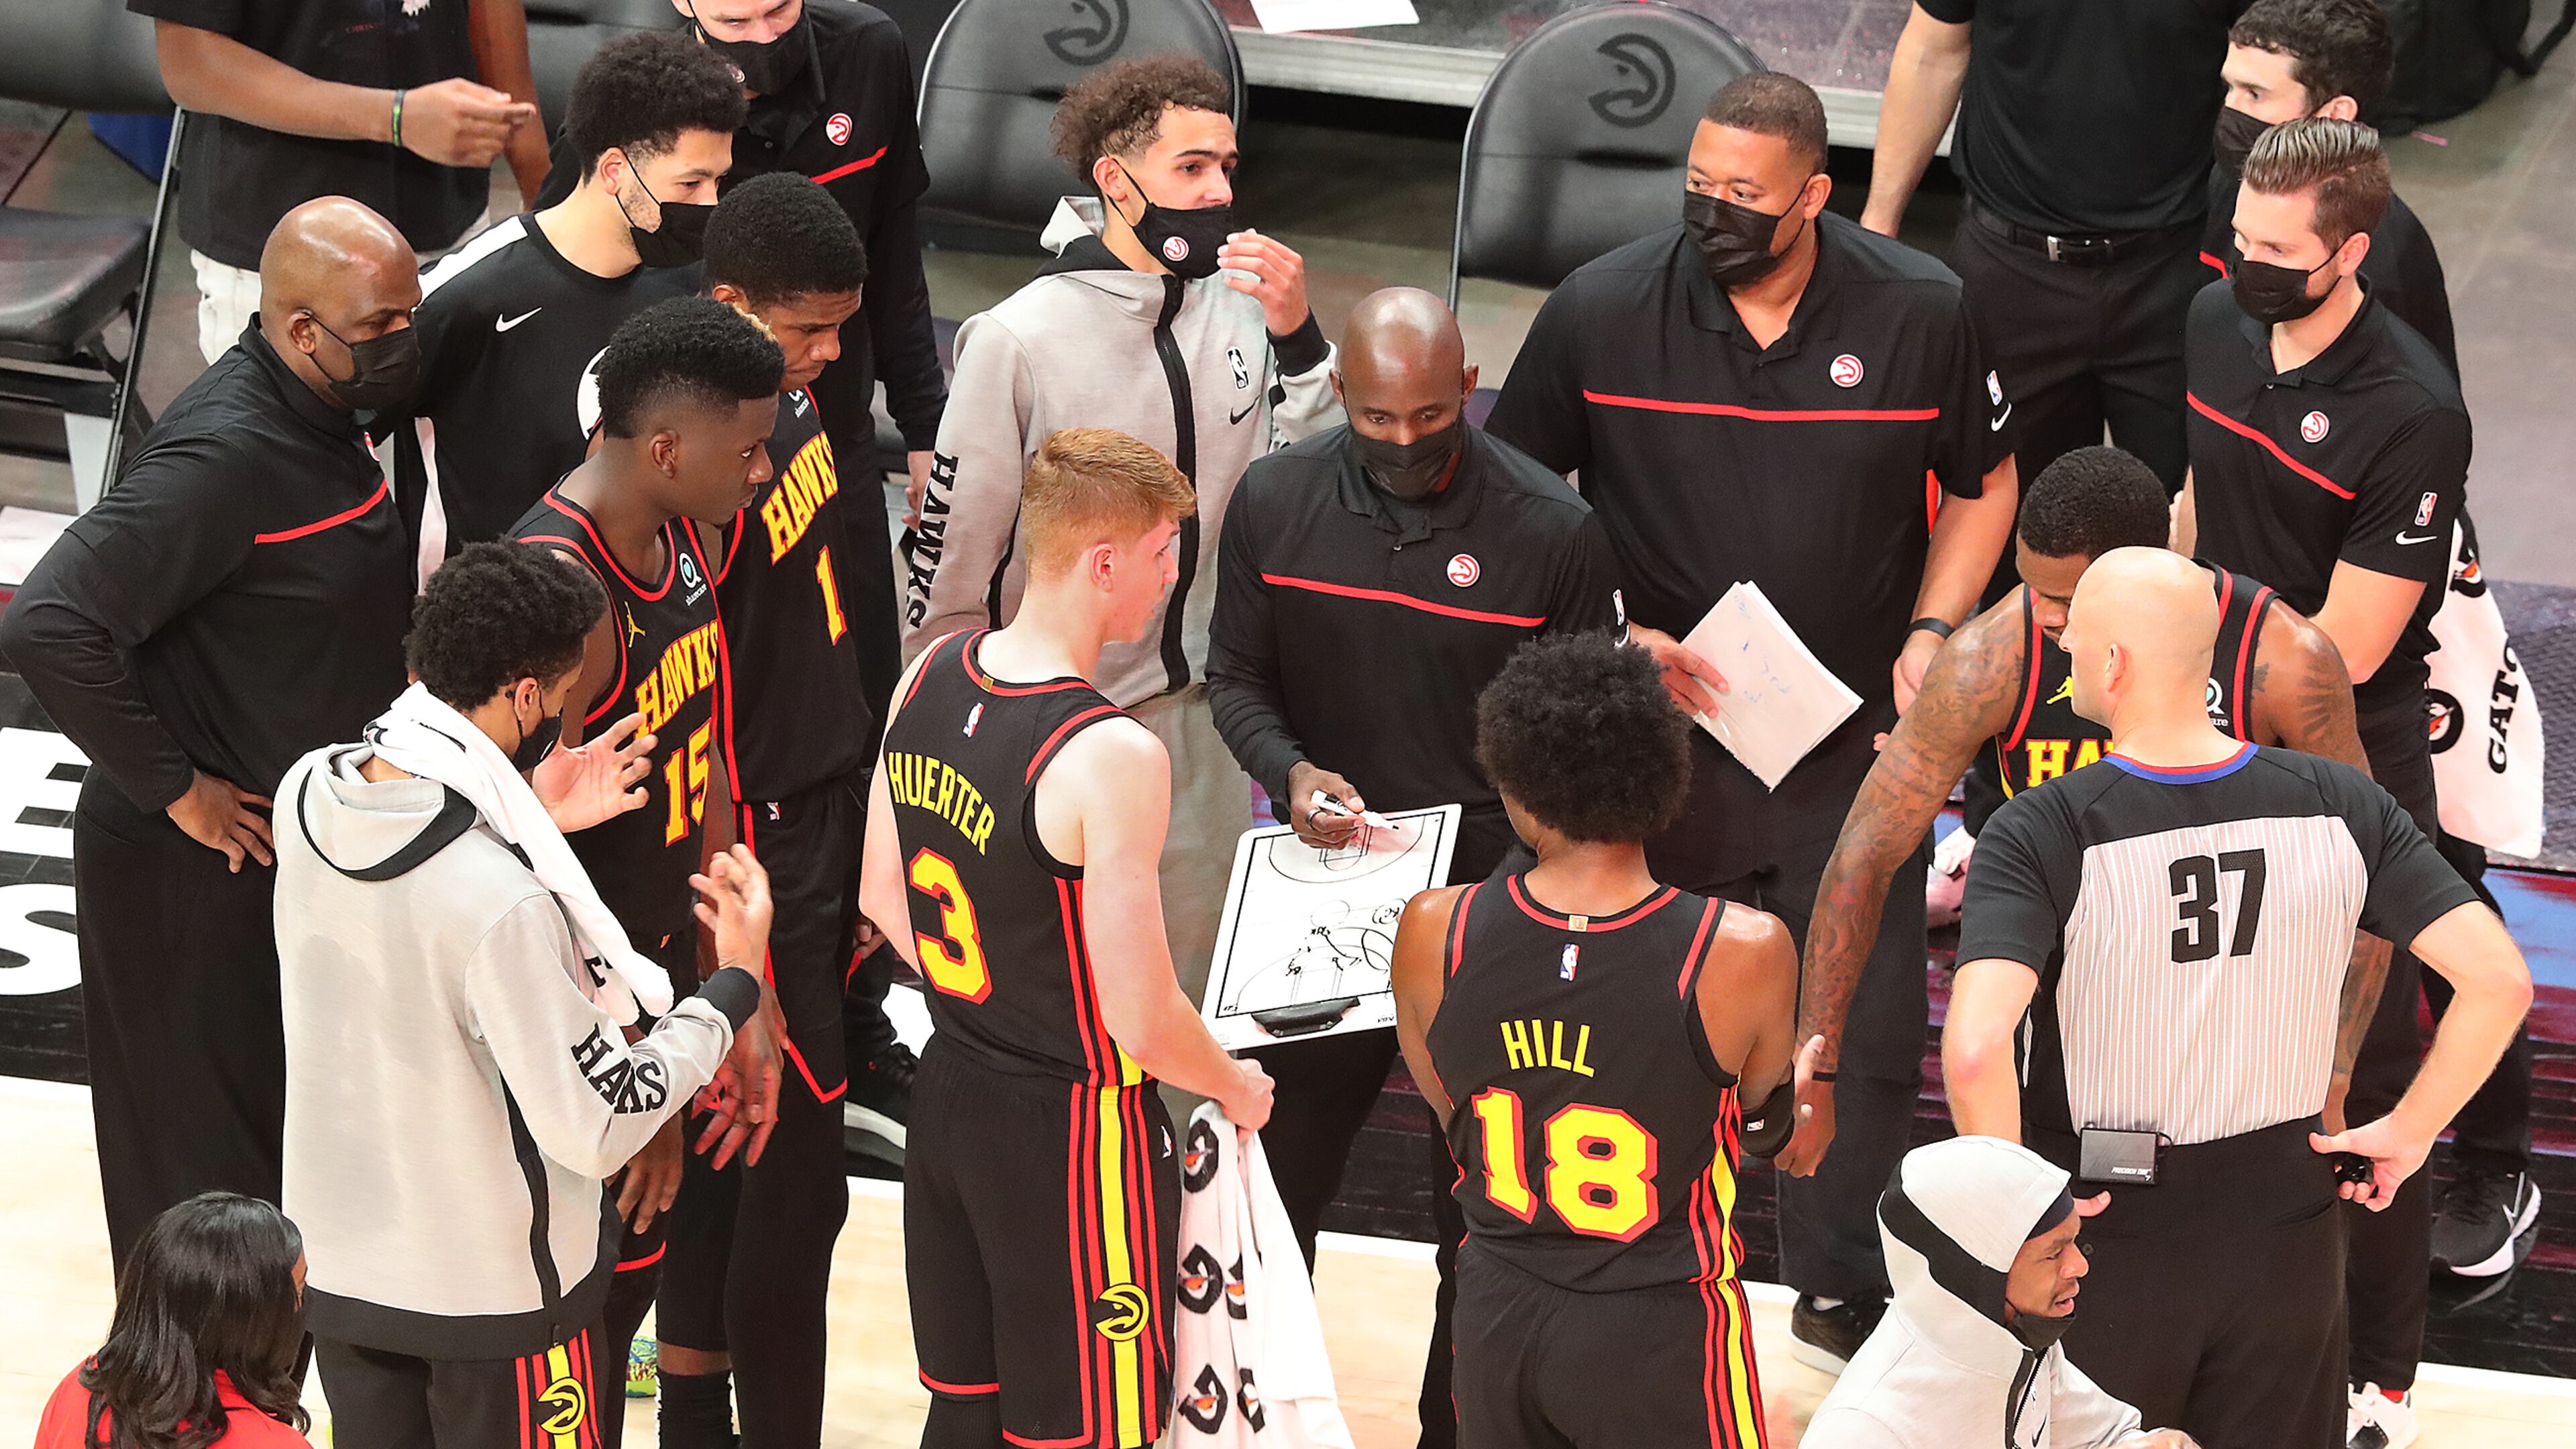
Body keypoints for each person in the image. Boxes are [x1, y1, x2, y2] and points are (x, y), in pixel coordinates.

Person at [1484, 70, 2017, 1373]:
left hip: (1850, 740)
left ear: (1817, 197)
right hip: (1662, 737)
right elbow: (1516, 490)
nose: (1713, 213)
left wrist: (1935, 635)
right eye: (1699, 187)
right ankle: (1644, 1246)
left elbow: (1989, 483)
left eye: (1746, 197)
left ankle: (1845, 1286)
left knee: (1866, 1023)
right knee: (1656, 1001)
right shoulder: (1603, 306)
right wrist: (1609, 631)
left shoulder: (1920, 309)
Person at [1943, 548, 2530, 1447]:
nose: (2064, 660)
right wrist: (2409, 1133)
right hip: (2286, 1225)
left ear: (2114, 664)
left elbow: (1979, 1048)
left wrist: (2016, 1222)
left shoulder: (2041, 825)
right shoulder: (2341, 800)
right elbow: (2498, 980)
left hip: (2109, 1220)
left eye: (2077, 643)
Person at [1205, 284, 1622, 1438]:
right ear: (1339, 389)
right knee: (1271, 1181)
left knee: (1481, 1212)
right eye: (1379, 419)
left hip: (1489, 909)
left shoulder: (1554, 532)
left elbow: (1585, 736)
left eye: (1430, 419)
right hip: (1321, 895)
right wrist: (1290, 773)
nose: (1402, 442)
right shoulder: (1276, 502)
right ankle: (1265, 1418)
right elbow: (1234, 676)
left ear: (1470, 388)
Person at [272, 541, 784, 1448]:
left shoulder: (306, 792)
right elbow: (599, 1119)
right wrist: (733, 987)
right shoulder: (499, 903)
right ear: (523, 696)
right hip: (498, 1303)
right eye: (566, 693)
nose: (571, 714)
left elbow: (411, 911)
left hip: (343, 1275)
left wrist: (524, 812)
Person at [2199, 0, 2542, 1333]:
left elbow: (2397, 510)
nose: (2228, 110)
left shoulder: (2376, 267)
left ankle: (2491, 1160)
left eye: (2255, 93)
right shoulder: (2246, 235)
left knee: (2431, 890)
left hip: (2388, 612)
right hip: (2259, 634)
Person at [0, 198, 418, 1267]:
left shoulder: (330, 412)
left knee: (278, 1175)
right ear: (302, 331)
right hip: (190, 871)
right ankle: (175, 1423)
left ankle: (251, 1411)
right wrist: (176, 786)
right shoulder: (224, 457)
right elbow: (49, 621)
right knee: (197, 1192)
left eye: (410, 317)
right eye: (381, 328)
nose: (403, 344)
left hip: (288, 854)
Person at [904, 54, 1342, 1045]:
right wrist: (942, 729)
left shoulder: (1242, 309)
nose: (1222, 193)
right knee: (1054, 1007)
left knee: (1189, 1008)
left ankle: (1178, 1192)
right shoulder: (1017, 340)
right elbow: (950, 561)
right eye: (1192, 169)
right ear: (1116, 180)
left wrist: (1303, 341)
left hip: (1201, 720)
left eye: (1228, 167)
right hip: (1051, 727)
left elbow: (1316, 484)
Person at [1795, 446, 2379, 1172]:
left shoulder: (2283, 660)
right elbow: (1866, 852)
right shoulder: (1992, 660)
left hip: (2231, 980)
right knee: (2054, 1233)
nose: (2047, 618)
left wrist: (2334, 1072)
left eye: (2069, 601)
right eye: (2031, 586)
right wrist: (1816, 1063)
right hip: (2067, 998)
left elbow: (2368, 881)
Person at [863, 427, 1276, 1449]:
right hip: (1073, 1131)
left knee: (962, 1412)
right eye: (1163, 554)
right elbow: (1140, 1017)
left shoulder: (927, 676)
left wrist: (996, 988)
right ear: (1104, 563)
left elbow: (880, 895)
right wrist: (1232, 1082)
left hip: (953, 1094)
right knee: (1092, 1428)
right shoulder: (1111, 753)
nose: (1174, 575)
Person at [2173, 119, 2477, 1439]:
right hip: (2209, 727)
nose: (2248, 266)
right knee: (2198, 1051)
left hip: (2349, 756)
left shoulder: (2411, 410)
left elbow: (2341, 650)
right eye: (2241, 239)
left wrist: (2195, 666)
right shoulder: (2207, 321)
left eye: (2279, 253)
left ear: (2352, 251)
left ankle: (2379, 1375)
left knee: (2361, 1078)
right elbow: (2196, 498)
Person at [1389, 632, 1808, 1449]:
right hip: (1659, 1323)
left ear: (1513, 779)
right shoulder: (1744, 949)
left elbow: (1451, 1109)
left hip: (1495, 1308)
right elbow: (1762, 1124)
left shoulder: (1436, 928)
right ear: (1662, 778)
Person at [506, 294, 785, 1438]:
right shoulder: (551, 596)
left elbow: (711, 771)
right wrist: (638, 1083)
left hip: (665, 986)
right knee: (567, 1346)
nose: (765, 471)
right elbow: (485, 864)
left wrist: (741, 990)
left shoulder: (681, 538)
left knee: (616, 1315)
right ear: (666, 448)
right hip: (575, 1030)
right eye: (750, 449)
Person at [651, 172, 874, 1449]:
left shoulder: (786, 404)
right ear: (732, 306)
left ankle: (692, 1420)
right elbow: (706, 687)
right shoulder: (708, 454)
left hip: (826, 801)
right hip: (763, 840)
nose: (833, 354)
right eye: (811, 329)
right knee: (793, 1185)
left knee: (746, 1174)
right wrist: (735, 890)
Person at [675, 0, 949, 746]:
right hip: (700, 455)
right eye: (736, 23)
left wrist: (927, 430)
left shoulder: (871, 50)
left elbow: (895, 257)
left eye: (780, 10)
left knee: (864, 684)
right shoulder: (648, 96)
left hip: (836, 431)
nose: (766, 38)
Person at [1863, 0, 2249, 492]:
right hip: (2010, 268)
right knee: (2010, 515)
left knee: (2189, 520)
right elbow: (1933, 51)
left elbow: (2278, 61)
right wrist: (1879, 223)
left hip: (2176, 269)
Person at [399, 31, 746, 574]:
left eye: (719, 181)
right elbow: (332, 432)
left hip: (623, 614)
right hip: (485, 623)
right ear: (614, 171)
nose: (711, 204)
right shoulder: (468, 294)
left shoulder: (686, 277)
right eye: (691, 183)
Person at [129, 0, 544, 364]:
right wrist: (395, 118)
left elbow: (497, 34)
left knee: (450, 447)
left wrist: (547, 206)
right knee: (292, 450)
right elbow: (191, 61)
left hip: (447, 230)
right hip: (283, 254)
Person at [1803, 1138, 2196, 1449]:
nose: (2080, 1266)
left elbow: (2105, 1435)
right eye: (2054, 1253)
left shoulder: (2021, 1345)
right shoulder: (1865, 1431)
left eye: (2076, 1242)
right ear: (1976, 1278)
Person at [2202, 0, 2453, 372]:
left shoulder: (2390, 258)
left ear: (2335, 114)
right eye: (2230, 88)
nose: (2230, 108)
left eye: (2254, 94)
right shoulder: (2232, 178)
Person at [36, 1193, 313, 1449]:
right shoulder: (272, 1443)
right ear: (249, 1323)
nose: (301, 1306)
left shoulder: (78, 1391)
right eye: (298, 1291)